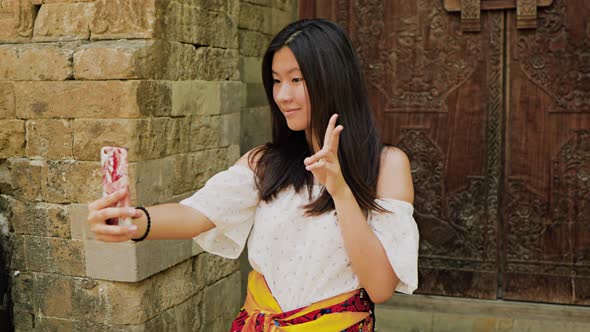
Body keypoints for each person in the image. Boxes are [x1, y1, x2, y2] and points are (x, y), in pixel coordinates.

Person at [87, 18, 419, 332]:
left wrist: (341, 191)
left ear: (332, 78)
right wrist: (132, 223)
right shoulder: (266, 162)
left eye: (296, 79)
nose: (282, 95)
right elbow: (195, 214)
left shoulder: (386, 165)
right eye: (276, 80)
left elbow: (379, 287)